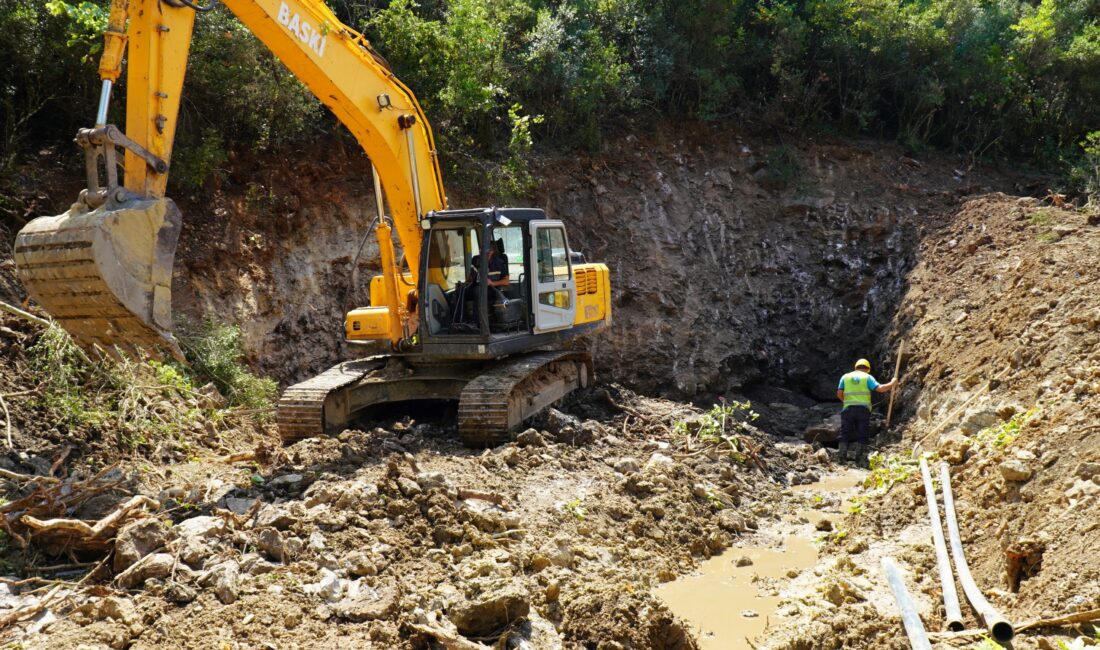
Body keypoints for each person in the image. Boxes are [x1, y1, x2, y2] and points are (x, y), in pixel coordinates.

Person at [836, 358, 897, 462]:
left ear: (856, 367)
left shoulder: (845, 377)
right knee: (862, 433)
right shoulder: (867, 377)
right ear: (867, 369)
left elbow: (839, 393)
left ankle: (841, 458)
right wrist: (892, 383)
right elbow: (881, 389)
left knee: (845, 432)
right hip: (863, 410)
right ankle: (859, 459)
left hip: (848, 409)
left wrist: (846, 402)